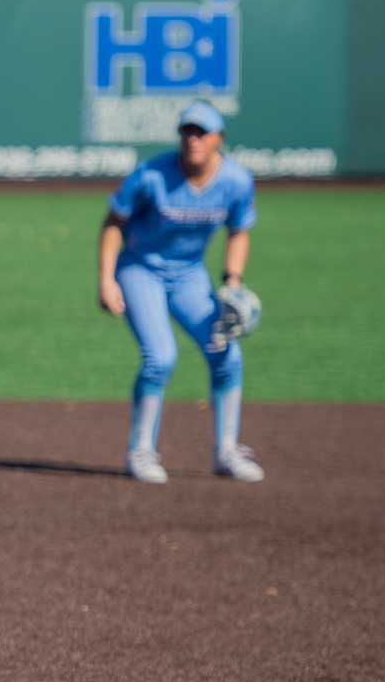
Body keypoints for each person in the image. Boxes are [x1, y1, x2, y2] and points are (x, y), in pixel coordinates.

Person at [95, 100, 263, 484]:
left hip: (190, 275)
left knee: (226, 353)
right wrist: (107, 278)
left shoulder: (236, 181)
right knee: (160, 357)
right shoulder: (151, 176)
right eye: (187, 131)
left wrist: (232, 281)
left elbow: (239, 230)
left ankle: (226, 452)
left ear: (219, 138)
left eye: (202, 132)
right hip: (141, 269)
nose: (193, 139)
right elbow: (113, 223)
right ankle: (140, 451)